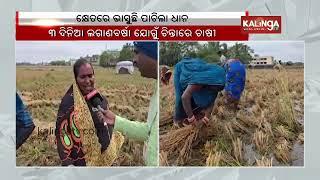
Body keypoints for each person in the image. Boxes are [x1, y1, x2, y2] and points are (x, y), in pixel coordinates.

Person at [98, 41, 159, 166]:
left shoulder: (166, 92)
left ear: (153, 53)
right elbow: (148, 132)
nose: (134, 60)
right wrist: (115, 120)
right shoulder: (157, 89)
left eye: (137, 53)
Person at [55, 59, 123, 166]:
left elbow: (107, 127)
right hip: (81, 163)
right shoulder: (68, 103)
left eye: (90, 76)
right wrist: (69, 166)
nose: (87, 81)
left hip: (104, 162)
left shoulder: (99, 99)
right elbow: (62, 135)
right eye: (82, 77)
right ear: (75, 79)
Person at [173, 57, 226, 127]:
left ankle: (194, 112)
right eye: (215, 88)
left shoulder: (216, 83)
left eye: (218, 89)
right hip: (181, 68)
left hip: (197, 67)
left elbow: (211, 101)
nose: (216, 91)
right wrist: (191, 118)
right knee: (180, 97)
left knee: (202, 97)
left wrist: (206, 118)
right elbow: (184, 97)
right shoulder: (199, 80)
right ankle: (178, 121)